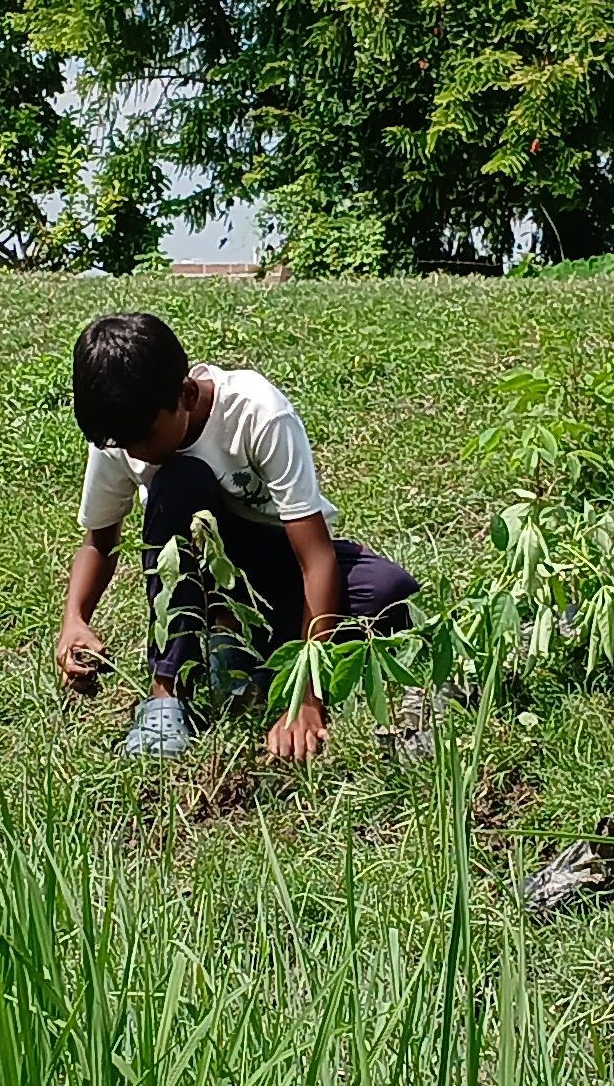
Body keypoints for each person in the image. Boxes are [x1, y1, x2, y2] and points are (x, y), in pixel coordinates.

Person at [52, 311, 417, 762]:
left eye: (144, 438)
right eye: (123, 445)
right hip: (210, 572)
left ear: (186, 394)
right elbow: (98, 542)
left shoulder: (256, 412)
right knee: (177, 482)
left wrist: (305, 696)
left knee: (391, 596)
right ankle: (166, 697)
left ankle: (245, 655)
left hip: (280, 558)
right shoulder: (124, 432)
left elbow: (315, 558)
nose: (135, 454)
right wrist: (75, 620)